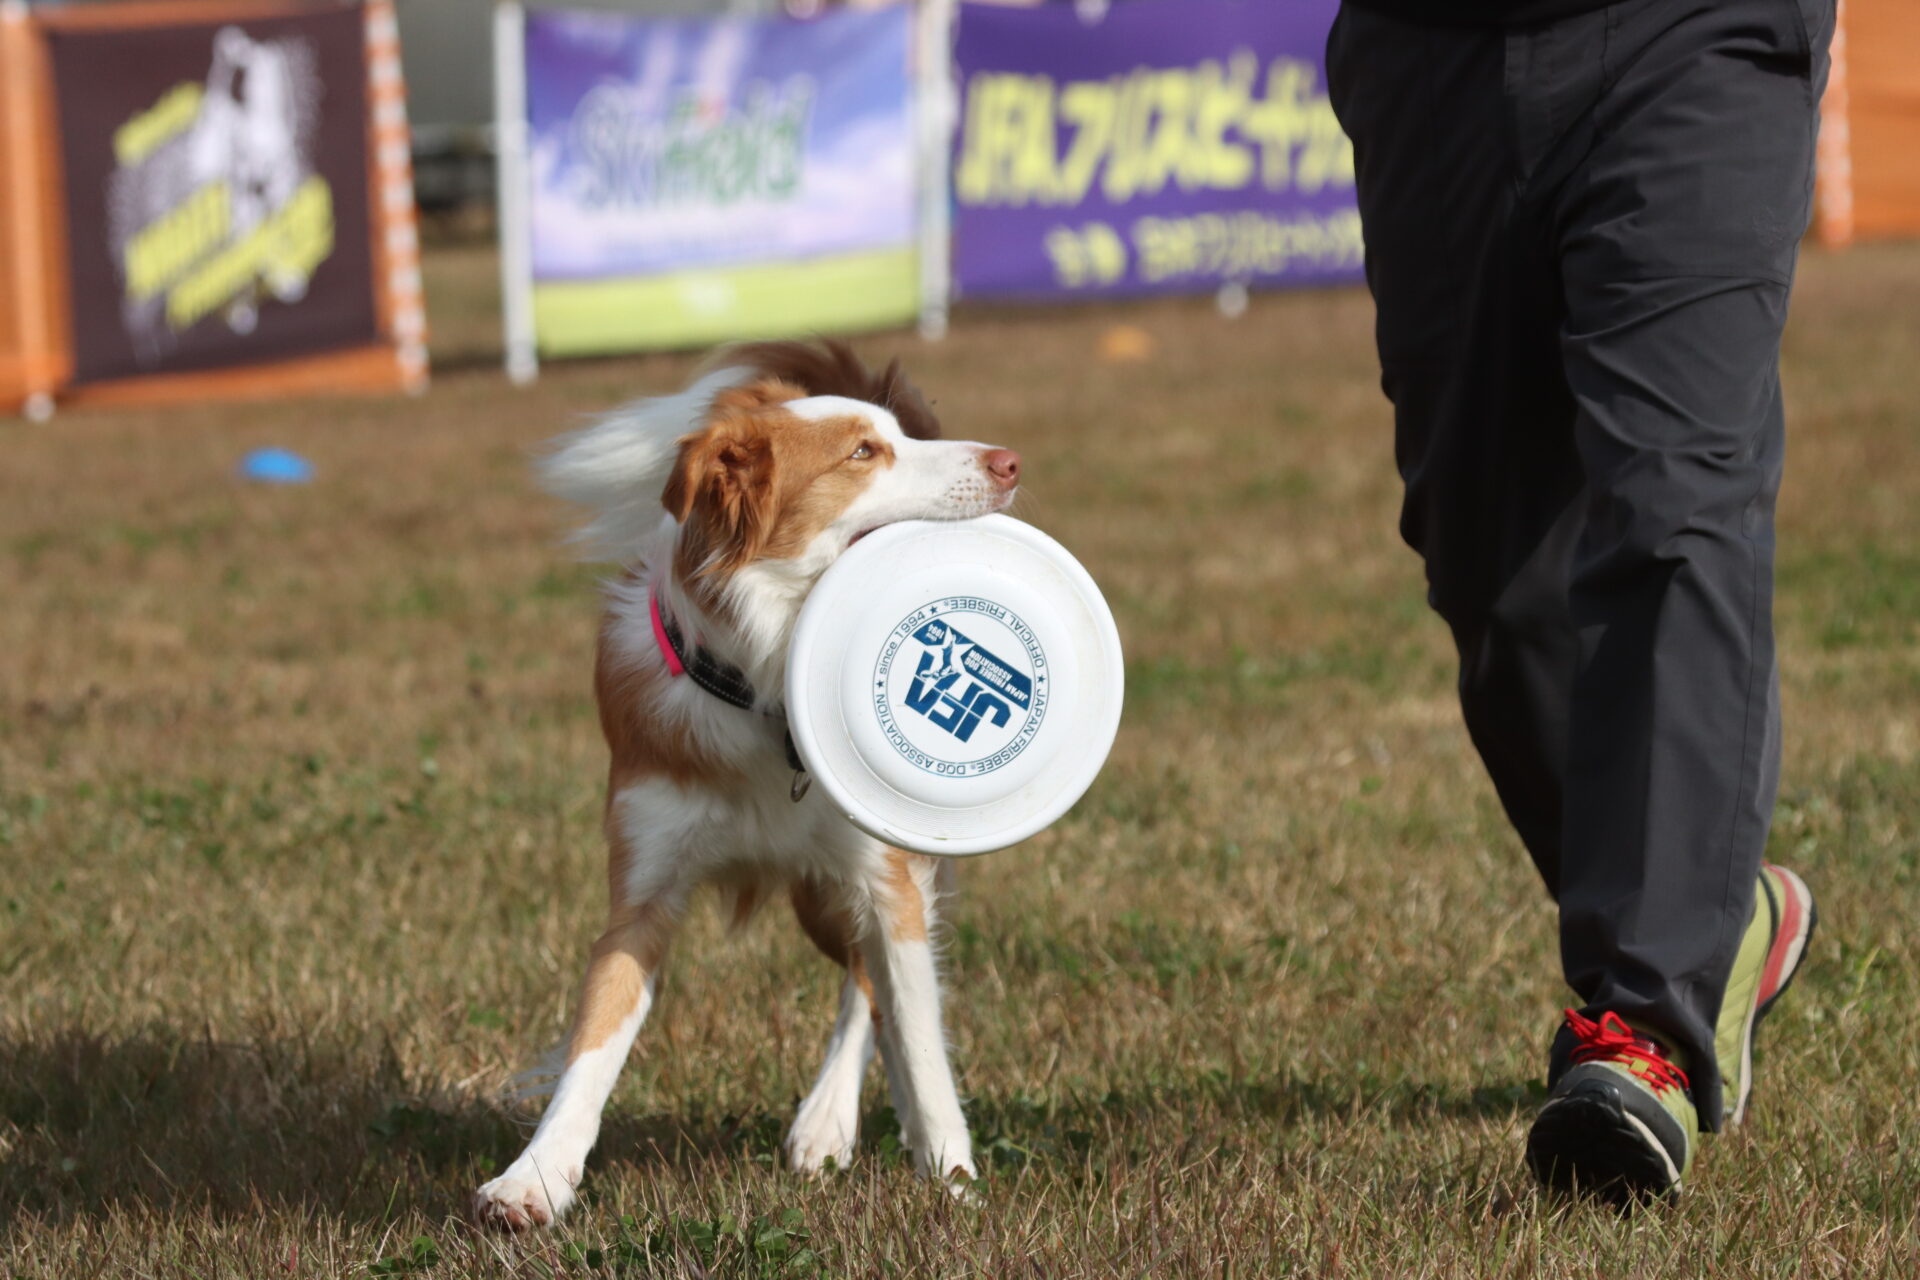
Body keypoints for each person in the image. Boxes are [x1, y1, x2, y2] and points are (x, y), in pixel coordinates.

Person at [1324, 0, 1831, 1200]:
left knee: (1675, 505)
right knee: (1485, 565)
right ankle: (1716, 904)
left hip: (1694, 31)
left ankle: (1645, 1023)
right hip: (1429, 47)